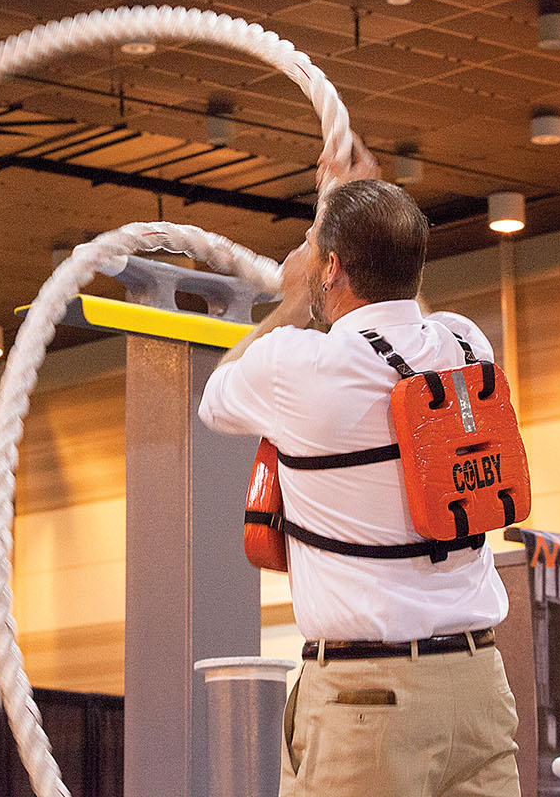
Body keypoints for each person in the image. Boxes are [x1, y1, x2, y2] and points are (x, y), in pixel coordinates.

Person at [197, 178, 520, 797]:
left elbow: (217, 395)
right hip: (480, 689)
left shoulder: (297, 368)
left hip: (365, 700)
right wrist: (374, 230)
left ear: (333, 268)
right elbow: (402, 314)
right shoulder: (467, 346)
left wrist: (292, 300)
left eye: (315, 250)